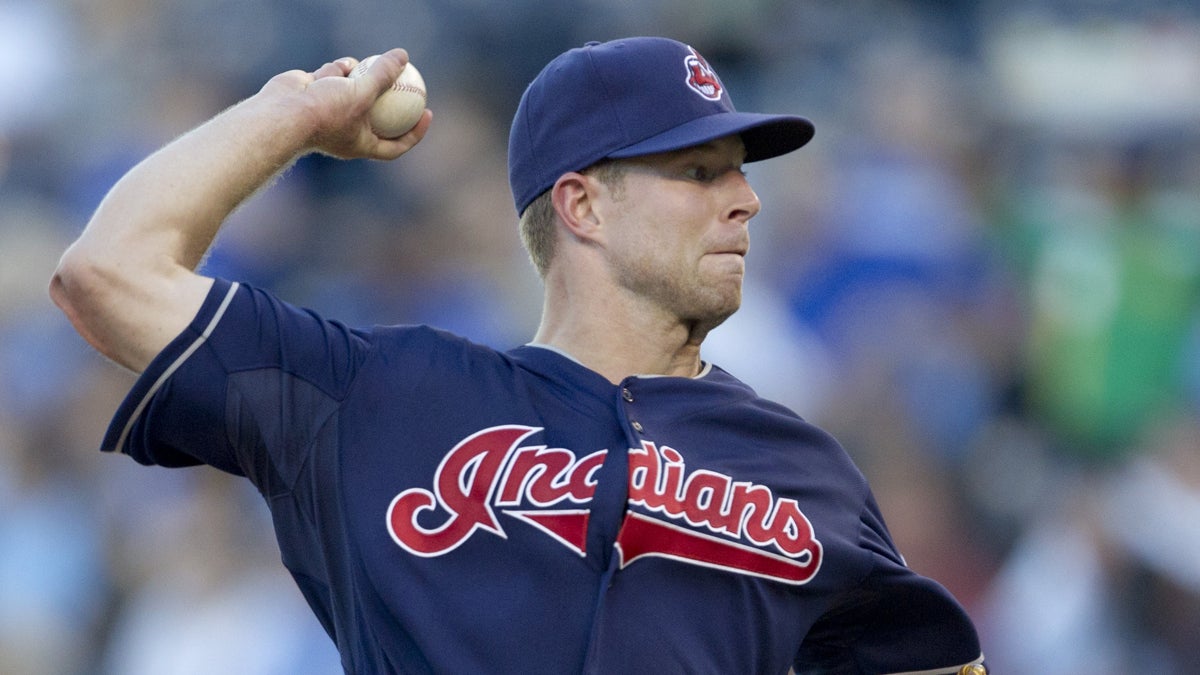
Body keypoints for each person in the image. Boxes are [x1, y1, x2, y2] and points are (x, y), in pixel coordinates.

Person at [51, 36, 986, 674]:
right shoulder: (380, 394)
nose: (745, 200)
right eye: (699, 173)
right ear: (582, 205)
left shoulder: (809, 470)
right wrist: (291, 117)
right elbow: (107, 271)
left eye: (741, 172)